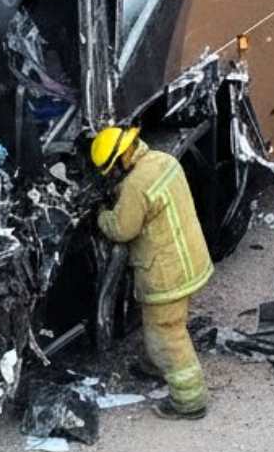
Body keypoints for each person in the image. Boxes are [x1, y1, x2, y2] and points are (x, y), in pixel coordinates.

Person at [90, 125, 213, 420]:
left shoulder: (135, 186)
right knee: (166, 323)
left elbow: (121, 229)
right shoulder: (163, 160)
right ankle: (153, 364)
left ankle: (189, 401)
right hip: (190, 259)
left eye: (111, 169)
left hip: (165, 273)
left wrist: (101, 216)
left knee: (167, 335)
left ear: (121, 159)